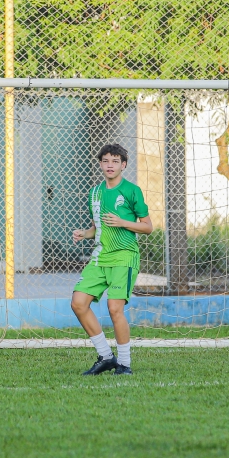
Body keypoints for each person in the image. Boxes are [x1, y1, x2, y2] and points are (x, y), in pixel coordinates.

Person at [71, 144, 152, 375]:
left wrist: (123, 222)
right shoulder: (94, 193)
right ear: (100, 164)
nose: (110, 165)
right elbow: (98, 228)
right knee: (78, 303)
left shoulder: (132, 191)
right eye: (106, 161)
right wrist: (84, 233)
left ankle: (124, 364)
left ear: (123, 165)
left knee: (114, 308)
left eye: (115, 161)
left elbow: (148, 227)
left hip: (124, 256)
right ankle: (106, 357)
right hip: (100, 257)